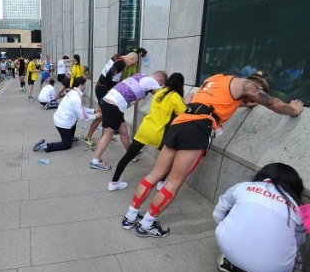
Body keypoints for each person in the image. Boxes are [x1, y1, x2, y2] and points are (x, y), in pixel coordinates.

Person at [121, 72, 304, 238]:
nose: (257, 94)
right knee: (174, 182)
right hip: (198, 129)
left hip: (179, 123)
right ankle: (147, 224)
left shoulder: (215, 79)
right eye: (259, 91)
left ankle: (130, 216)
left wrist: (246, 102)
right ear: (257, 86)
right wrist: (294, 109)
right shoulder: (247, 85)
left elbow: (222, 102)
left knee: (155, 174)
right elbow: (273, 103)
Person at [213, 163, 305, 272]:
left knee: (234, 208)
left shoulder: (243, 186)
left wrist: (224, 228)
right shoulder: (303, 210)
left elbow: (219, 210)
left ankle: (227, 258)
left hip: (227, 246)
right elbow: (298, 244)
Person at [108, 73, 190, 192]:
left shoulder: (159, 92)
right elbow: (184, 112)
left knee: (128, 156)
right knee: (168, 159)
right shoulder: (175, 96)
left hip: (144, 129)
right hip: (159, 134)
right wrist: (186, 101)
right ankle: (161, 183)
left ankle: (114, 182)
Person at [89, 71, 167, 171]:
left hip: (111, 102)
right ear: (160, 80)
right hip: (113, 105)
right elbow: (164, 94)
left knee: (123, 130)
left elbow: (136, 94)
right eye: (160, 84)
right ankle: (95, 161)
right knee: (108, 133)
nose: (158, 86)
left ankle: (131, 154)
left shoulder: (140, 75)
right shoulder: (151, 81)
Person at [84, 48, 147, 147]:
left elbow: (129, 52)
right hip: (104, 90)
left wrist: (139, 51)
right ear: (130, 58)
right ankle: (88, 137)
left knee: (104, 114)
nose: (132, 65)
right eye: (133, 63)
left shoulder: (117, 56)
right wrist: (110, 89)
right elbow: (110, 74)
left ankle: (103, 136)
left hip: (101, 88)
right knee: (101, 115)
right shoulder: (121, 64)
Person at [33, 78, 100, 152]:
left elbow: (82, 108)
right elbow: (83, 116)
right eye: (84, 85)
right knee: (66, 145)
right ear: (81, 85)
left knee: (75, 118)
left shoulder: (73, 92)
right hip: (63, 123)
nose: (85, 87)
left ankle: (70, 137)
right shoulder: (76, 97)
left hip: (61, 119)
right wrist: (96, 116)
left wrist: (93, 111)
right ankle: (45, 145)